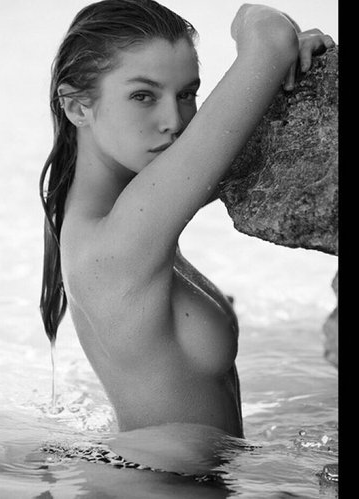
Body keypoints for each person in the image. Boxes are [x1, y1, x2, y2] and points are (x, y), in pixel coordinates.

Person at [39, 0, 334, 464]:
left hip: (167, 481)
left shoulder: (111, 215)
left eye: (187, 93)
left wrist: (283, 65)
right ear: (77, 106)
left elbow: (243, 109)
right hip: (161, 488)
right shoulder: (125, 232)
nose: (174, 123)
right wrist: (274, 40)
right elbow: (268, 34)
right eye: (143, 96)